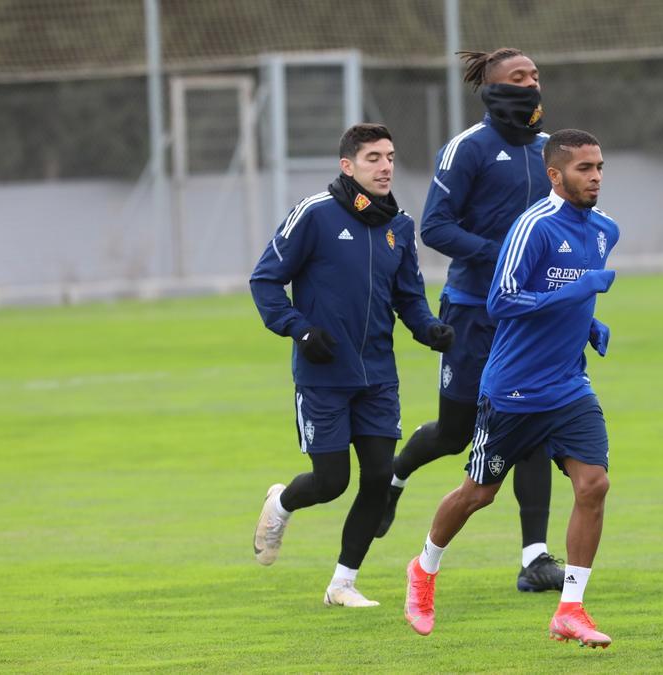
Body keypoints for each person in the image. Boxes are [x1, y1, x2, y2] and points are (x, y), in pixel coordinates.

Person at [403, 129, 619, 648]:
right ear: (555, 174)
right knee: (479, 494)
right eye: (583, 168)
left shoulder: (605, 230)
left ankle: (571, 608)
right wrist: (578, 290)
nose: (594, 177)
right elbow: (501, 302)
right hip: (514, 390)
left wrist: (588, 322)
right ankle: (424, 568)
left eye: (599, 167)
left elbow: (561, 296)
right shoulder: (533, 226)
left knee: (594, 485)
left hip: (569, 386)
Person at [376, 47, 565, 594]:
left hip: (529, 315)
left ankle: (535, 559)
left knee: (532, 426)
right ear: (492, 86)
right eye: (519, 76)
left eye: (536, 73)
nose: (532, 83)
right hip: (472, 309)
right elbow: (435, 227)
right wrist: (500, 252)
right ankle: (394, 474)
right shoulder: (468, 148)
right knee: (457, 434)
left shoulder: (544, 150)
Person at [248, 123, 454, 608]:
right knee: (331, 482)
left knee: (379, 478)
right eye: (373, 158)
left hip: (378, 375)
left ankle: (342, 584)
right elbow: (264, 280)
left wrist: (430, 329)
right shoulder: (315, 214)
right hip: (323, 376)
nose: (385, 166)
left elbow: (408, 297)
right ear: (348, 166)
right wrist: (299, 329)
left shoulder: (400, 225)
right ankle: (280, 505)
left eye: (390, 156)